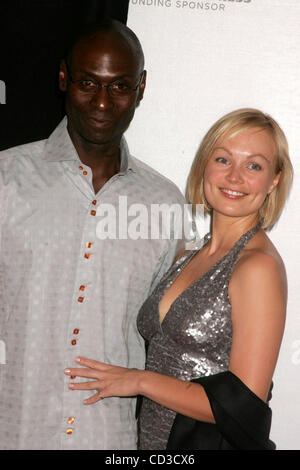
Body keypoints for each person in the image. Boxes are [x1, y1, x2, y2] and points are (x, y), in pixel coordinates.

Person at [0, 20, 185, 450]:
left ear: (141, 88)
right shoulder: (6, 180)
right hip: (14, 427)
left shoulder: (165, 204)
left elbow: (164, 338)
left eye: (119, 86)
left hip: (107, 436)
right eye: (88, 83)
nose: (102, 102)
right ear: (64, 78)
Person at [64, 108, 293, 450]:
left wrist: (139, 381)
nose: (234, 177)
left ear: (274, 180)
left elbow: (243, 405)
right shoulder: (191, 255)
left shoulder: (257, 267)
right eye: (223, 159)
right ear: (205, 165)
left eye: (254, 165)